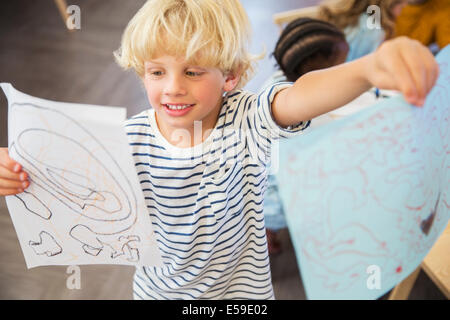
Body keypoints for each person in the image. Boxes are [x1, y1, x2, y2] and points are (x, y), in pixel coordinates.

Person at [0, 0, 438, 300]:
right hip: (159, 292)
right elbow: (65, 185)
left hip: (240, 295)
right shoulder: (125, 140)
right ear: (141, 74)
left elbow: (302, 94)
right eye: (156, 71)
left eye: (192, 71)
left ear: (229, 77)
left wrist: (369, 68)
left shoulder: (247, 118)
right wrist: (16, 173)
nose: (172, 87)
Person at [262, 17, 350, 255]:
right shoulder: (304, 112)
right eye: (340, 64)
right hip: (272, 195)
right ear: (314, 68)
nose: (345, 69)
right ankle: (267, 231)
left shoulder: (278, 82)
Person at [318, 0, 408, 61]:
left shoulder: (341, 19)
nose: (400, 13)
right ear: (390, 4)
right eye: (401, 7)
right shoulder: (375, 31)